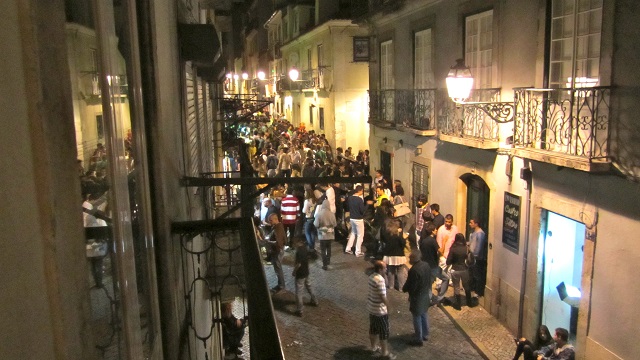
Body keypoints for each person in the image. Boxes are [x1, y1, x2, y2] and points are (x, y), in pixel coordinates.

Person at [368, 260, 396, 359]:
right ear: (380, 269)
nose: (386, 269)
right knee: (384, 332)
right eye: (385, 268)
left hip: (372, 308)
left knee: (373, 329)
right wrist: (388, 306)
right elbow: (382, 295)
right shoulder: (380, 280)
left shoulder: (371, 276)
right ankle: (385, 353)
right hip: (380, 311)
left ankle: (374, 347)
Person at [402, 250, 432, 346]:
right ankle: (425, 334)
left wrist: (405, 289)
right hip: (425, 294)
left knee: (417, 316)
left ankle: (418, 338)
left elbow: (412, 285)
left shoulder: (414, 270)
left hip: (417, 297)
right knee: (424, 314)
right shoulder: (426, 265)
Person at [446, 233, 475, 310]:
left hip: (455, 269)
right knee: (466, 286)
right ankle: (469, 302)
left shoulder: (453, 249)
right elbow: (470, 259)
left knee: (456, 287)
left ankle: (458, 305)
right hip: (464, 269)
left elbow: (448, 261)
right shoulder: (466, 248)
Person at [292, 236, 318, 316]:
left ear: (298, 241)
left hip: (300, 273)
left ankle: (300, 310)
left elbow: (298, 264)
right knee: (309, 286)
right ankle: (315, 300)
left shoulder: (299, 251)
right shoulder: (305, 248)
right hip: (306, 271)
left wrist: (294, 271)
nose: (294, 244)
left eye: (294, 242)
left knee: (299, 291)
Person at [381, 219, 408, 291]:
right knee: (400, 272)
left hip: (389, 256)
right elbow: (403, 244)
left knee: (391, 271)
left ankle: (391, 285)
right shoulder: (398, 237)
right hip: (399, 256)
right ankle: (401, 287)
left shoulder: (387, 236)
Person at [264, 213, 286, 292]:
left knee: (278, 269)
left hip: (277, 251)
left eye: (271, 220)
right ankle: (281, 284)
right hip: (277, 251)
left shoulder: (278, 228)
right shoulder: (277, 226)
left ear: (276, 219)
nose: (269, 222)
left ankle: (281, 286)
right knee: (278, 268)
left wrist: (268, 241)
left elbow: (278, 243)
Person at [314, 199, 337, 270]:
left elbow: (316, 224)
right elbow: (335, 224)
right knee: (329, 248)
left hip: (322, 235)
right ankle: (328, 260)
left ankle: (324, 265)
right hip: (330, 234)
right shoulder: (332, 214)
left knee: (323, 250)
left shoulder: (319, 214)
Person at [468, 217, 487, 297]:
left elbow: (479, 247)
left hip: (477, 258)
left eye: (471, 223)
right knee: (472, 273)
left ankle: (478, 291)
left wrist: (475, 255)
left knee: (477, 275)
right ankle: (472, 288)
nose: (470, 224)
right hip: (472, 257)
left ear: (476, 224)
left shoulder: (480, 234)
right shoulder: (474, 233)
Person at [345, 185, 366, 257]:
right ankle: (358, 251)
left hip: (352, 218)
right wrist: (367, 205)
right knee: (360, 235)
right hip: (359, 219)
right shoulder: (359, 200)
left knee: (353, 233)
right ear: (360, 191)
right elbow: (362, 210)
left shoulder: (350, 198)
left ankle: (348, 248)